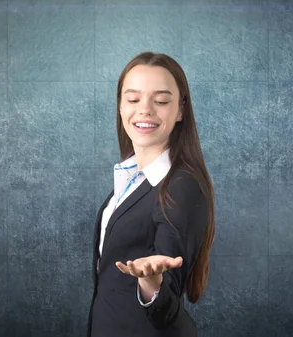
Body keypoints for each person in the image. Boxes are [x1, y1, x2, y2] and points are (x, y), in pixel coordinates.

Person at [87, 51, 216, 337]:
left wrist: (152, 282)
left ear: (181, 109)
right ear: (120, 107)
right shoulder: (130, 178)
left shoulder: (181, 187)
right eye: (133, 99)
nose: (145, 109)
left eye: (160, 101)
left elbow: (166, 307)